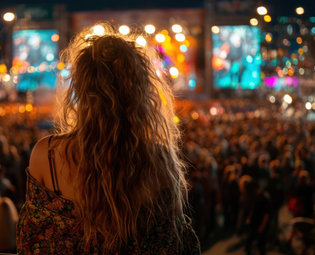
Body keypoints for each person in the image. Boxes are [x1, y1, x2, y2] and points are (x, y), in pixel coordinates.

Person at [17, 24, 200, 254]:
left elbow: (29, 243)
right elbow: (175, 245)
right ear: (142, 92)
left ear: (80, 89)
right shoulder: (159, 161)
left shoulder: (47, 155)